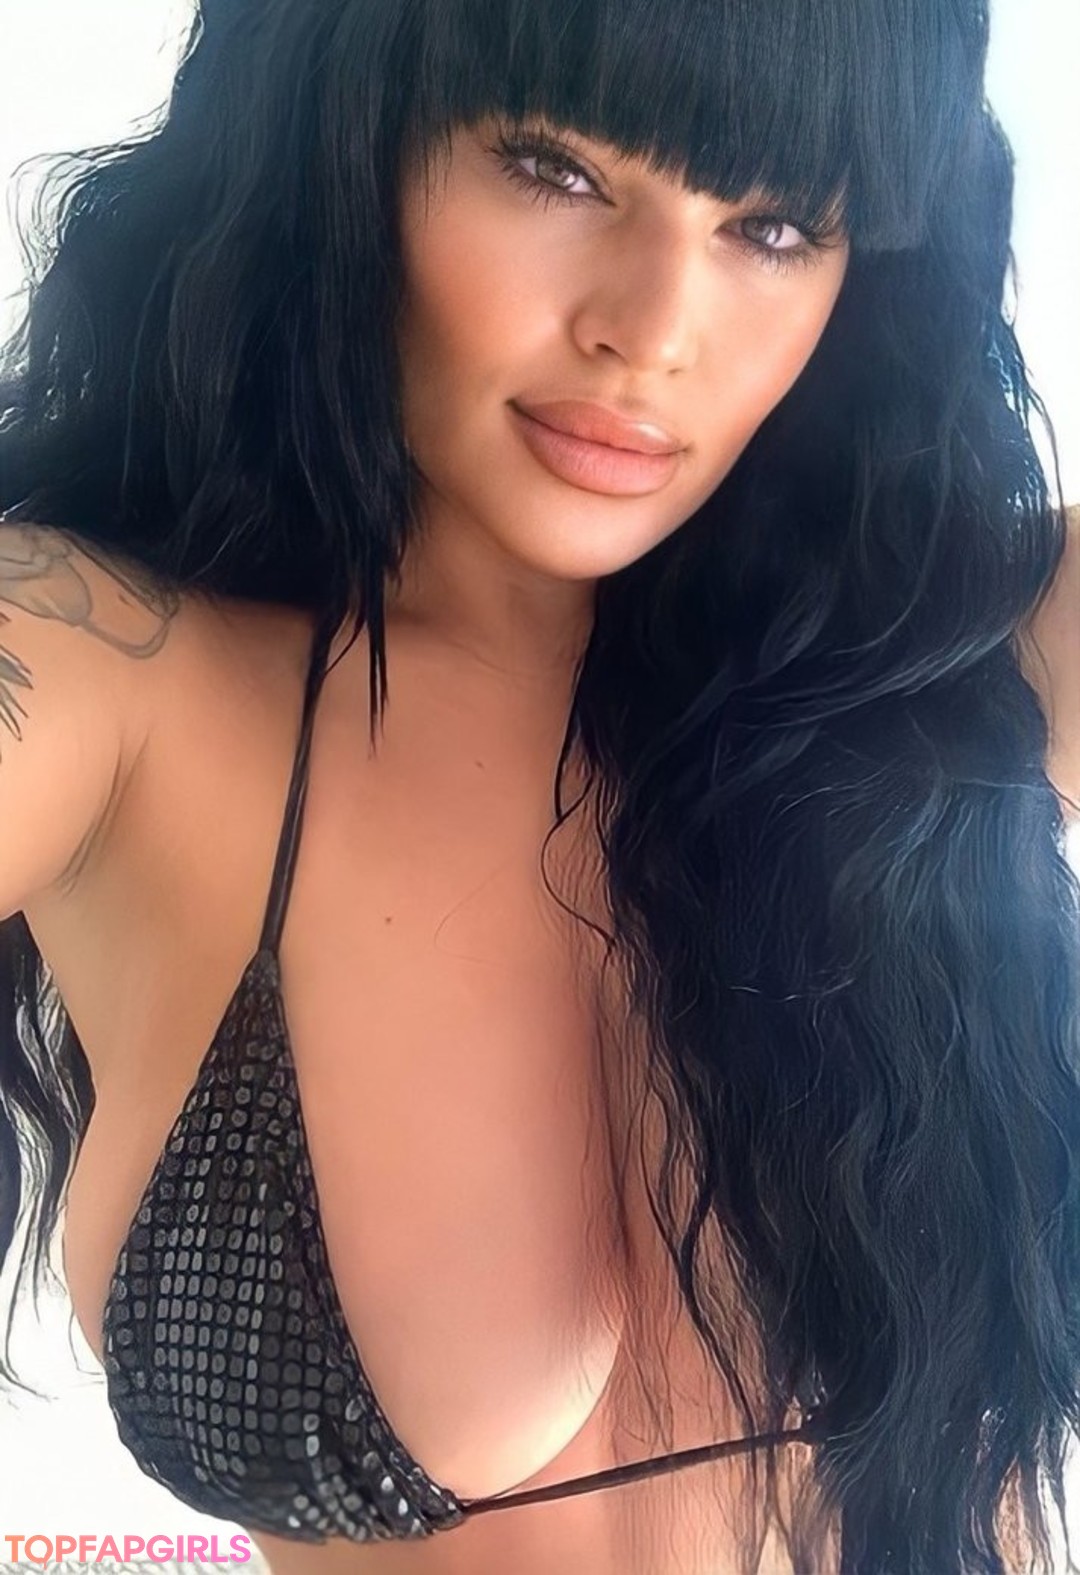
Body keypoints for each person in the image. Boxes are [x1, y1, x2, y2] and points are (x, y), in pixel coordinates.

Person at [0, 0, 1078, 1570]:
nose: (653, 329)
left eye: (775, 225)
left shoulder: (960, 656)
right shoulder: (115, 673)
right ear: (340, 137)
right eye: (554, 168)